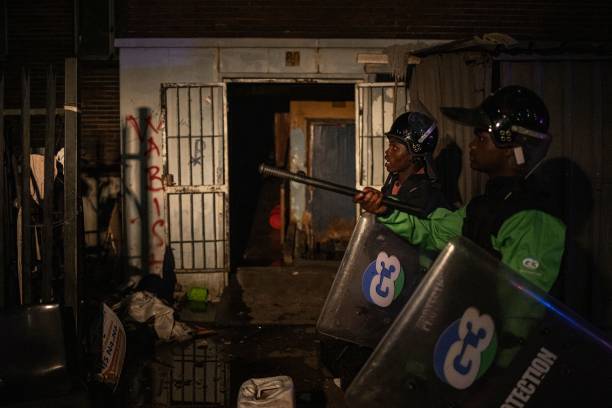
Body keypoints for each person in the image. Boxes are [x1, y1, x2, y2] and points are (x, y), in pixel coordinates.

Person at [355, 85, 566, 365]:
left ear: (510, 145)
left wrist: (495, 375)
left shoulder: (533, 217)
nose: (472, 144)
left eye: (482, 137)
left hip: (490, 362)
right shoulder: (486, 204)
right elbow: (434, 233)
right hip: (467, 341)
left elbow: (519, 315)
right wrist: (386, 212)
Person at [323, 109, 450, 390]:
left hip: (403, 300)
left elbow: (419, 243)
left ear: (415, 153)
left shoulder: (427, 196)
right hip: (381, 292)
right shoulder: (393, 184)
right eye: (389, 144)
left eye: (395, 146)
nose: (387, 151)